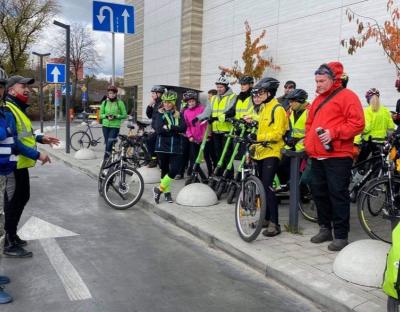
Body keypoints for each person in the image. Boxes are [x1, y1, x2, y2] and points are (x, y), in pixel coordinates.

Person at [304, 62, 364, 251]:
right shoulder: (317, 99)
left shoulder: (348, 96)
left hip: (338, 156)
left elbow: (358, 124)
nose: (318, 84)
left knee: (337, 194)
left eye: (321, 80)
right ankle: (324, 228)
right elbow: (309, 124)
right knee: (319, 193)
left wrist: (334, 133)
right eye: (316, 80)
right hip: (317, 155)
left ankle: (340, 235)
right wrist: (308, 142)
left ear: (333, 79)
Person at [3, 75, 58, 258]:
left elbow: (24, 133)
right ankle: (9, 243)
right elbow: (13, 141)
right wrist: (37, 154)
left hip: (20, 163)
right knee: (12, 202)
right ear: (11, 90)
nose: (27, 89)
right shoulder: (9, 109)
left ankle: (13, 235)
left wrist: (41, 138)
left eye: (28, 86)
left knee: (22, 197)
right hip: (12, 164)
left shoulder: (17, 108)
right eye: (22, 86)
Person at [248, 77, 289, 237]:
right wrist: (253, 144)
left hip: (272, 152)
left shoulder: (277, 109)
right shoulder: (264, 108)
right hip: (261, 151)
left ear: (270, 93)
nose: (258, 95)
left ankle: (275, 223)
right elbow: (260, 131)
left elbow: (279, 133)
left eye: (262, 92)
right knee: (261, 188)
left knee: (268, 187)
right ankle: (264, 219)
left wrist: (260, 138)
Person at [197, 73, 237, 175]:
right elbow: (208, 110)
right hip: (215, 130)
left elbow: (230, 111)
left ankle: (229, 176)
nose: (219, 89)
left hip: (227, 131)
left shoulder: (232, 97)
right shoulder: (214, 98)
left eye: (221, 87)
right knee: (218, 155)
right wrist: (198, 118)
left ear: (226, 87)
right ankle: (219, 176)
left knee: (227, 155)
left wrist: (216, 118)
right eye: (217, 87)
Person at [153, 91, 186, 203]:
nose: (167, 104)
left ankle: (158, 189)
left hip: (176, 146)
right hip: (162, 146)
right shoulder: (159, 114)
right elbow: (159, 130)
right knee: (164, 170)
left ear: (173, 103)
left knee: (175, 170)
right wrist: (174, 130)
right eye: (165, 102)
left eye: (169, 102)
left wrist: (170, 127)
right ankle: (167, 193)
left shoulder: (178, 114)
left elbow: (183, 128)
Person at [277, 89, 309, 186]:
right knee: (280, 164)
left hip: (304, 146)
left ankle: (301, 191)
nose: (290, 104)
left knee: (299, 172)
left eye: (292, 101)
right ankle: (286, 185)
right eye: (289, 101)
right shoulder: (291, 111)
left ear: (300, 100)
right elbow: (284, 124)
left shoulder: (310, 111)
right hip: (292, 143)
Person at [356, 88, 395, 165]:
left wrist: (358, 135)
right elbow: (391, 128)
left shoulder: (367, 111)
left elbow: (366, 128)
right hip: (382, 143)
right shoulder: (385, 110)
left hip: (369, 143)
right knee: (378, 164)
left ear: (367, 99)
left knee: (360, 163)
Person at [183, 90, 213, 177]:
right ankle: (199, 176)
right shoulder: (186, 112)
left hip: (204, 138)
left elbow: (207, 123)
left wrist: (208, 135)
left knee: (207, 157)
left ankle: (210, 173)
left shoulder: (202, 109)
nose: (191, 103)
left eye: (193, 101)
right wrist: (190, 136)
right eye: (189, 101)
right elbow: (187, 126)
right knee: (195, 158)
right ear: (187, 102)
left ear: (196, 101)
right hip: (194, 139)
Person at [99, 86, 127, 158]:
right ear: (108, 93)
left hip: (115, 127)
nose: (111, 95)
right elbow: (100, 115)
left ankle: (105, 161)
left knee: (109, 143)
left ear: (116, 94)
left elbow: (124, 115)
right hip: (105, 126)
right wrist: (106, 116)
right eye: (110, 93)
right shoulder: (104, 103)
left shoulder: (120, 103)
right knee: (108, 144)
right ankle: (110, 160)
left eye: (113, 93)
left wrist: (116, 116)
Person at [145, 85, 165, 168]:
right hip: (155, 129)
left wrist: (156, 129)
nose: (152, 95)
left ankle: (155, 160)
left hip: (160, 130)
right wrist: (150, 105)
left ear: (159, 94)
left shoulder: (162, 104)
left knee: (150, 141)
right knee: (148, 140)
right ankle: (154, 159)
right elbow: (149, 115)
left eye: (153, 93)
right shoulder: (156, 103)